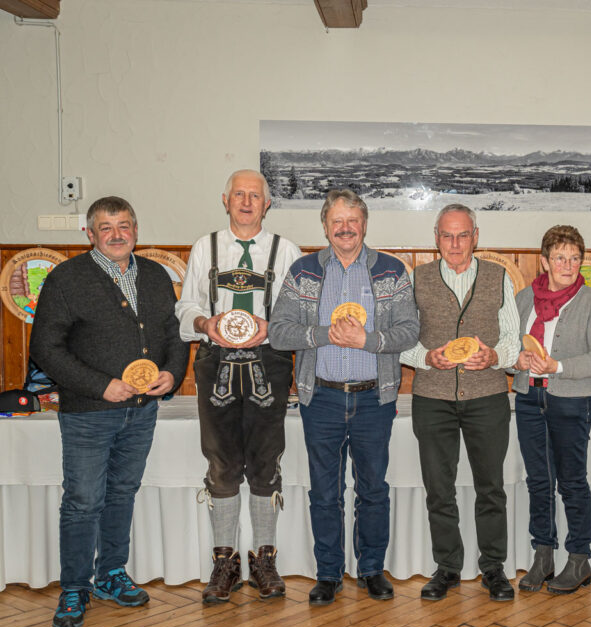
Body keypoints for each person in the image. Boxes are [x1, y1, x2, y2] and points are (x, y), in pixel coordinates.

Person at [31, 196, 189, 627]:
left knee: (122, 493)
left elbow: (173, 333)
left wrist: (173, 373)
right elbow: (45, 348)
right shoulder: (66, 279)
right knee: (83, 501)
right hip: (88, 413)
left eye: (124, 226)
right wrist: (100, 385)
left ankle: (111, 575)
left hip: (141, 411)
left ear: (136, 230)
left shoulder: (155, 275)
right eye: (106, 227)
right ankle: (74, 588)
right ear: (90, 234)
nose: (117, 235)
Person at [268, 190, 418, 605]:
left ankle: (371, 569)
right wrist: (325, 334)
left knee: (373, 490)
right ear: (325, 226)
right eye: (337, 221)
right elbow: (278, 332)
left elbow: (410, 331)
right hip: (322, 399)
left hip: (374, 400)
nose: (345, 228)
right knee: (324, 493)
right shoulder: (303, 271)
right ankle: (329, 574)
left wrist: (366, 340)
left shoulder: (391, 270)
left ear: (364, 224)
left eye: (353, 220)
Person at [176, 169, 302, 603]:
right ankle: (224, 562)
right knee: (221, 463)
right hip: (216, 362)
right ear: (225, 200)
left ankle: (264, 559)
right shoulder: (204, 247)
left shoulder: (286, 250)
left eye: (255, 196)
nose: (247, 202)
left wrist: (273, 326)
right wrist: (203, 322)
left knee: (266, 462)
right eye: (239, 195)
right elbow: (186, 304)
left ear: (267, 204)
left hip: (269, 362)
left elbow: (299, 314)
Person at [400, 204, 520, 601]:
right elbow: (401, 337)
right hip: (432, 398)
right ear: (436, 239)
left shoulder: (498, 277)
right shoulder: (416, 279)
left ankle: (494, 568)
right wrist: (425, 358)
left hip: (488, 396)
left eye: (463, 235)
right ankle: (447, 567)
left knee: (491, 488)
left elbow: (512, 338)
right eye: (447, 235)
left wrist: (495, 356)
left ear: (475, 237)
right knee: (439, 489)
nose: (455, 243)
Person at [511, 225, 591, 595]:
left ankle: (579, 557)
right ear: (544, 262)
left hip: (572, 400)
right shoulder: (524, 299)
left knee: (571, 481)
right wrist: (517, 361)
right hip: (529, 399)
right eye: (560, 258)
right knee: (538, 481)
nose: (568, 265)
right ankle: (543, 555)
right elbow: (508, 348)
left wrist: (558, 367)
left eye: (574, 258)